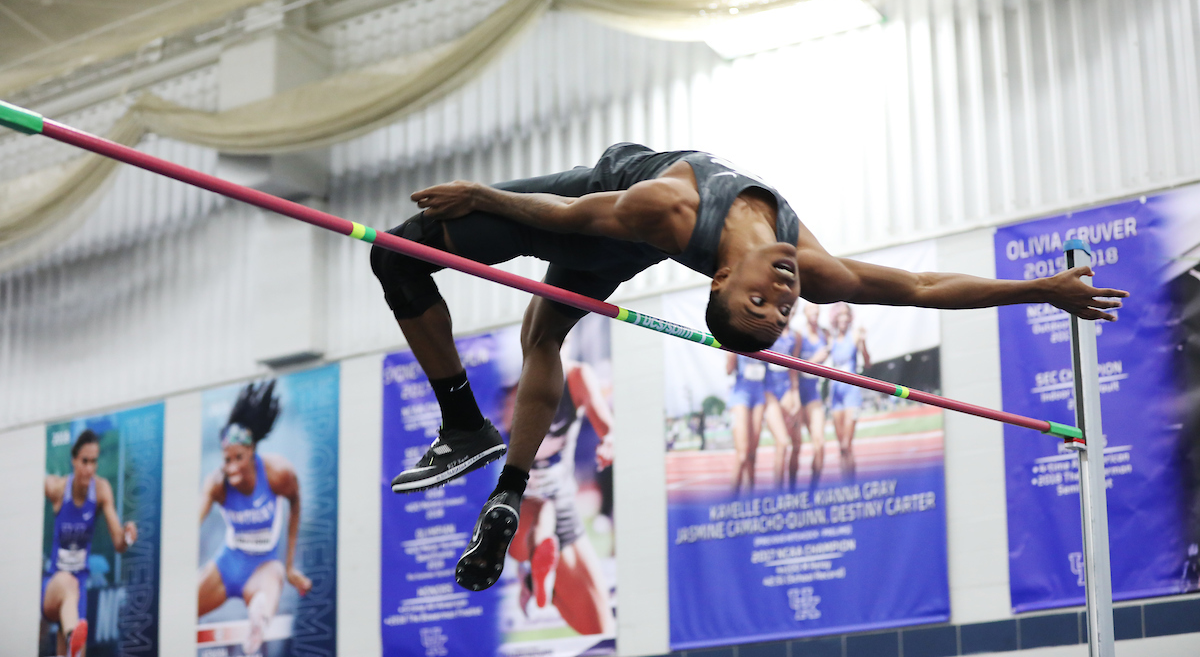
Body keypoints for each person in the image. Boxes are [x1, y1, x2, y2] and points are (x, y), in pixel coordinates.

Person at [370, 142, 1126, 592]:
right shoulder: (810, 261)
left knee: (396, 252)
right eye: (779, 309)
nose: (784, 297)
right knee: (538, 338)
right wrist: (1041, 290)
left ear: (719, 283)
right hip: (609, 233)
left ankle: (466, 426)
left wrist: (479, 196)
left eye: (761, 303)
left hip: (600, 212)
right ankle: (507, 492)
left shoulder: (667, 209)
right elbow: (923, 289)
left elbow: (566, 218)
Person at [198, 381, 311, 656]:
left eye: (238, 457)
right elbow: (192, 523)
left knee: (273, 582)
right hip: (229, 564)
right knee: (184, 607)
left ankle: (259, 618)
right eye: (226, 459)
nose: (232, 466)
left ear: (252, 453)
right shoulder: (217, 484)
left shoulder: (278, 473)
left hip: (263, 565)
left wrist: (291, 565)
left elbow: (295, 504)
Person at [506, 358, 615, 636]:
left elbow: (606, 426)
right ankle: (535, 564)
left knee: (599, 628)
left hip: (560, 505)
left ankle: (537, 573)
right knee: (540, 513)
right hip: (518, 513)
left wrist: (609, 441)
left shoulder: (576, 375)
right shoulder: (502, 384)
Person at [42, 429, 138, 657]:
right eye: (84, 461)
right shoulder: (57, 488)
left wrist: (127, 537)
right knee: (67, 582)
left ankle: (71, 641)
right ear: (74, 461)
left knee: (74, 650)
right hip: (53, 583)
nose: (89, 468)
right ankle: (70, 636)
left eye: (94, 462)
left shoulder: (101, 489)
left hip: (79, 588)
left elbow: (118, 543)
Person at [726, 325, 794, 492]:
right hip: (741, 395)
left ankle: (750, 495)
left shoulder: (765, 338)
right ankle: (731, 501)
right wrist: (732, 352)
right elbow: (728, 370)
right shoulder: (737, 335)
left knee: (752, 454)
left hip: (759, 395)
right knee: (742, 455)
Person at [782, 303, 830, 490]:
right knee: (797, 446)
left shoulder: (825, 334)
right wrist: (814, 360)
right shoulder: (799, 335)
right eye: (811, 310)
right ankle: (792, 491)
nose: (815, 314)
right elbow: (793, 367)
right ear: (805, 313)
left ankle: (813, 490)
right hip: (796, 393)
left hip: (813, 393)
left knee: (820, 443)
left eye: (818, 311)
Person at [826, 302, 869, 482]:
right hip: (835, 392)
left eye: (846, 314)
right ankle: (846, 484)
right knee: (841, 447)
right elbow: (822, 355)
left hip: (851, 392)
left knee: (846, 444)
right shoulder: (831, 338)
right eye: (840, 314)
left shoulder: (855, 335)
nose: (843, 318)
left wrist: (863, 344)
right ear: (835, 318)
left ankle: (851, 483)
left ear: (850, 317)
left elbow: (867, 363)